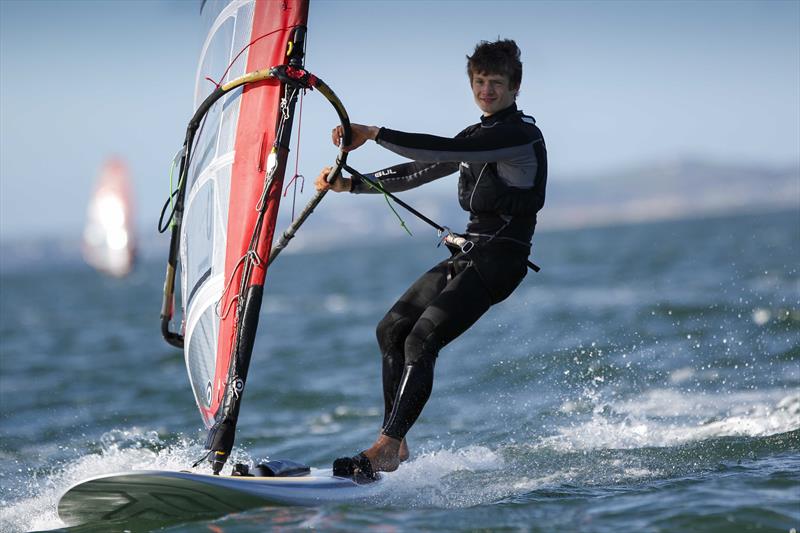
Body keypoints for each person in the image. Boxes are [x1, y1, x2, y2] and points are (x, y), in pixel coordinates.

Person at [315, 39, 547, 481]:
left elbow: (436, 151)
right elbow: (417, 171)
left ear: (515, 88)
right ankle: (395, 443)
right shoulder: (477, 136)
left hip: (499, 261)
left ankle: (383, 446)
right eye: (479, 82)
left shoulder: (517, 136)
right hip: (469, 251)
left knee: (422, 339)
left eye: (496, 83)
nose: (486, 91)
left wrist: (375, 133)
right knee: (392, 329)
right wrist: (351, 185)